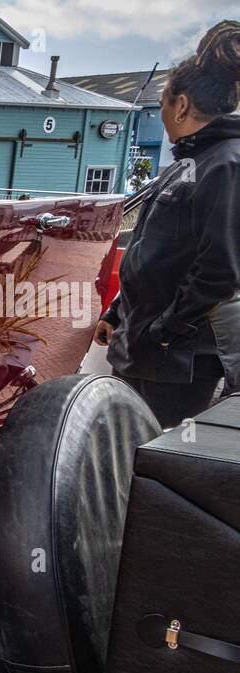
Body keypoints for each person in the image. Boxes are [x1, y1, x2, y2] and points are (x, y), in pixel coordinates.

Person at [94, 21, 240, 428]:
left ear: (180, 105)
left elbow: (220, 273)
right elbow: (157, 252)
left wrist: (163, 330)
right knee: (124, 450)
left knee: (150, 459)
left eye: (162, 103)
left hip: (174, 362)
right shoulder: (190, 162)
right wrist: (119, 312)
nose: (161, 113)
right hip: (144, 348)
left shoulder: (226, 165)